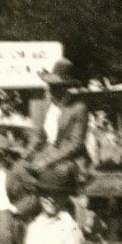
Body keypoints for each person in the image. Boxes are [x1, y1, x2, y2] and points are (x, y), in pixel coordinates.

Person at [26, 58, 91, 188]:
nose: (51, 90)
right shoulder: (44, 105)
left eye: (57, 86)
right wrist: (28, 151)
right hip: (44, 154)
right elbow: (37, 135)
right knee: (18, 170)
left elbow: (75, 144)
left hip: (68, 159)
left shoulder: (77, 108)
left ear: (66, 87)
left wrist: (48, 161)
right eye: (50, 85)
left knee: (50, 176)